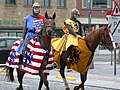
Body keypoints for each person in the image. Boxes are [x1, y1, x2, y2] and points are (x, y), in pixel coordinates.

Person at [16, 2, 45, 68]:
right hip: (30, 34)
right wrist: (23, 37)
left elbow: (44, 28)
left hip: (38, 35)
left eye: (37, 8)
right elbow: (25, 28)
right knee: (24, 47)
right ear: (33, 9)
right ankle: (21, 62)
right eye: (35, 8)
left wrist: (40, 30)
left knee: (44, 47)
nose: (36, 10)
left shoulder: (42, 18)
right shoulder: (28, 18)